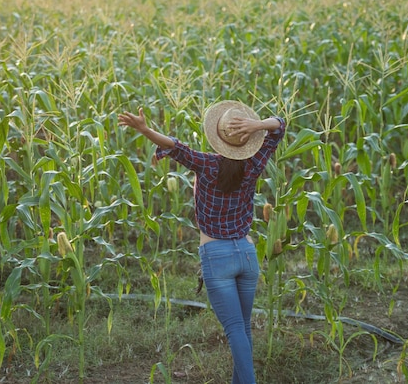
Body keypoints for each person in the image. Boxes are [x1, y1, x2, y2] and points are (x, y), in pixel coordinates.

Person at [118, 100, 286, 384]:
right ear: (248, 139)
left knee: (235, 330)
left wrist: (145, 129)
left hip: (217, 256)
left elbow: (175, 146)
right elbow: (280, 125)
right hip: (247, 253)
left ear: (217, 137)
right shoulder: (255, 163)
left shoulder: (207, 164)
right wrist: (257, 125)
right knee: (242, 329)